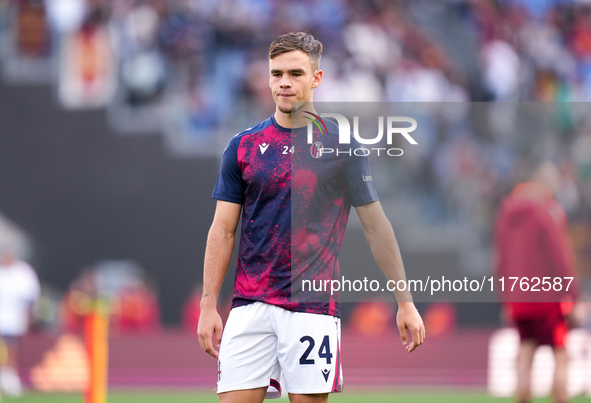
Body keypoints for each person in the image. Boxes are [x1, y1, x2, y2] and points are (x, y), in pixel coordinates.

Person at [197, 32, 425, 403]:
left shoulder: (344, 145)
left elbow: (376, 226)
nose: (284, 82)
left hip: (311, 310)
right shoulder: (242, 146)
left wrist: (405, 301)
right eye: (276, 73)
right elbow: (222, 231)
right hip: (249, 307)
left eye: (295, 73)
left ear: (316, 79)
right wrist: (209, 305)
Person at [495, 161, 580, 403]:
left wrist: (506, 298)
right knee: (561, 356)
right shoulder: (549, 210)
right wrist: (573, 294)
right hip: (547, 299)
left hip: (519, 299)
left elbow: (500, 260)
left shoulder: (506, 213)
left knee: (525, 353)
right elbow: (560, 257)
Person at [0, 249, 40, 397]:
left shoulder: (23, 272)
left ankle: (9, 378)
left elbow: (30, 297)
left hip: (16, 320)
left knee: (12, 350)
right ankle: (4, 378)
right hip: (2, 319)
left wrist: (30, 317)